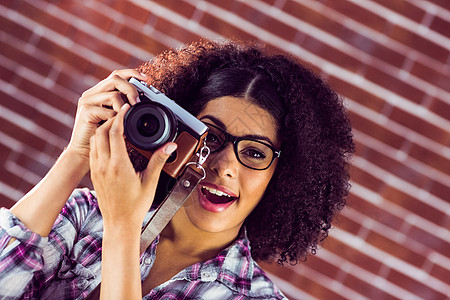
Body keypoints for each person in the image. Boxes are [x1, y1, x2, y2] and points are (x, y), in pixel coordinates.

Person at [0, 39, 354, 299]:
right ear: (178, 134)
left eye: (255, 153)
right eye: (211, 137)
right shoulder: (84, 215)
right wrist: (77, 153)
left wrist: (123, 229)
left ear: (284, 176)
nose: (224, 166)